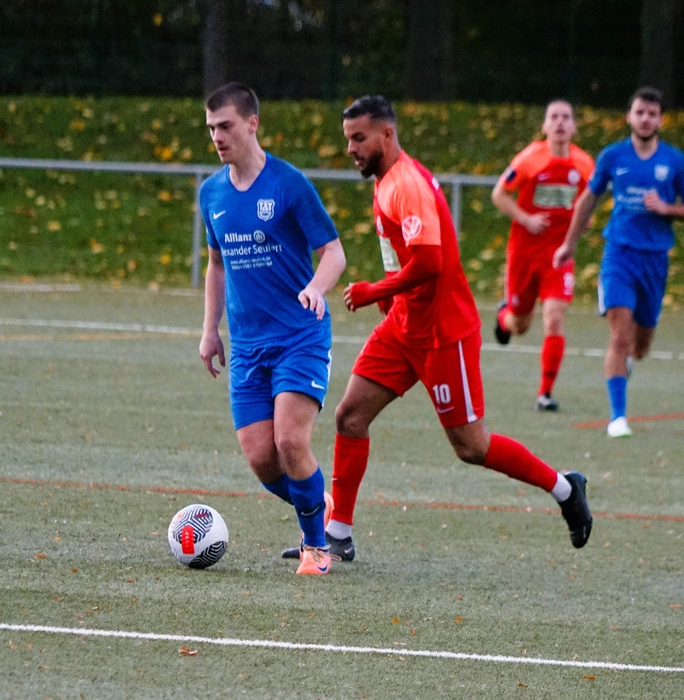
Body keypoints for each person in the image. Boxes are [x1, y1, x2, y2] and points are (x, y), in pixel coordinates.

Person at [284, 95, 592, 562]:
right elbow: (404, 252)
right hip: (403, 326)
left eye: (359, 139)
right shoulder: (385, 179)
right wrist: (391, 294)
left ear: (387, 134)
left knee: (471, 446)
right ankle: (338, 533)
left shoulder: (406, 183)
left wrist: (374, 289)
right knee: (350, 417)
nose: (350, 149)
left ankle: (565, 488)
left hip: (444, 333)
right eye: (348, 139)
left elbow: (432, 261)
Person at [198, 82, 346, 575]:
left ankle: (316, 547)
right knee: (263, 460)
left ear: (252, 123)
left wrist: (317, 288)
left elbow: (334, 253)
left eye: (225, 126)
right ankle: (315, 504)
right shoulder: (211, 192)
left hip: (299, 337)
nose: (217, 137)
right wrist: (210, 330)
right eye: (211, 128)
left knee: (290, 442)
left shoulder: (288, 184)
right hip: (247, 347)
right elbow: (216, 264)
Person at [554, 86, 684, 438]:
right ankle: (617, 417)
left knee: (641, 344)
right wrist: (568, 245)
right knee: (619, 336)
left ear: (660, 120)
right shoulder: (612, 156)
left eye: (652, 114)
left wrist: (666, 209)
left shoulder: (675, 161)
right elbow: (587, 201)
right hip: (618, 255)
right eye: (640, 112)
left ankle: (629, 363)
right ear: (629, 117)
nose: (646, 119)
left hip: (655, 260)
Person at [491, 100, 595, 412]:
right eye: (554, 117)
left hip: (558, 255)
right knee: (520, 325)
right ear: (545, 126)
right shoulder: (530, 158)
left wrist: (583, 222)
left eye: (566, 117)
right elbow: (499, 194)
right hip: (524, 253)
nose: (560, 122)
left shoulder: (584, 164)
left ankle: (545, 393)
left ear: (574, 126)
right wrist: (526, 219)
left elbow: (588, 203)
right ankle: (503, 317)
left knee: (554, 317)